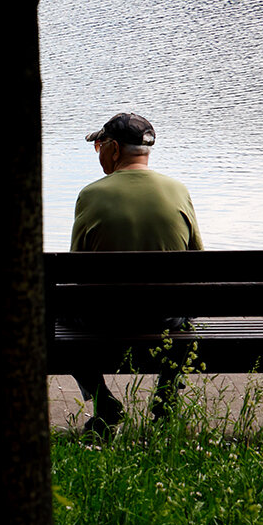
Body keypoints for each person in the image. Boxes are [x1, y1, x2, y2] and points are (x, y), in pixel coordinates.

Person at [70, 112, 203, 435]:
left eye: (99, 145)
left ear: (114, 149)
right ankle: (165, 400)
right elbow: (197, 260)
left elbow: (76, 268)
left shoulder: (91, 194)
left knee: (60, 319)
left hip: (104, 323)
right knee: (185, 317)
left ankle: (104, 403)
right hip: (165, 322)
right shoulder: (177, 190)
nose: (98, 152)